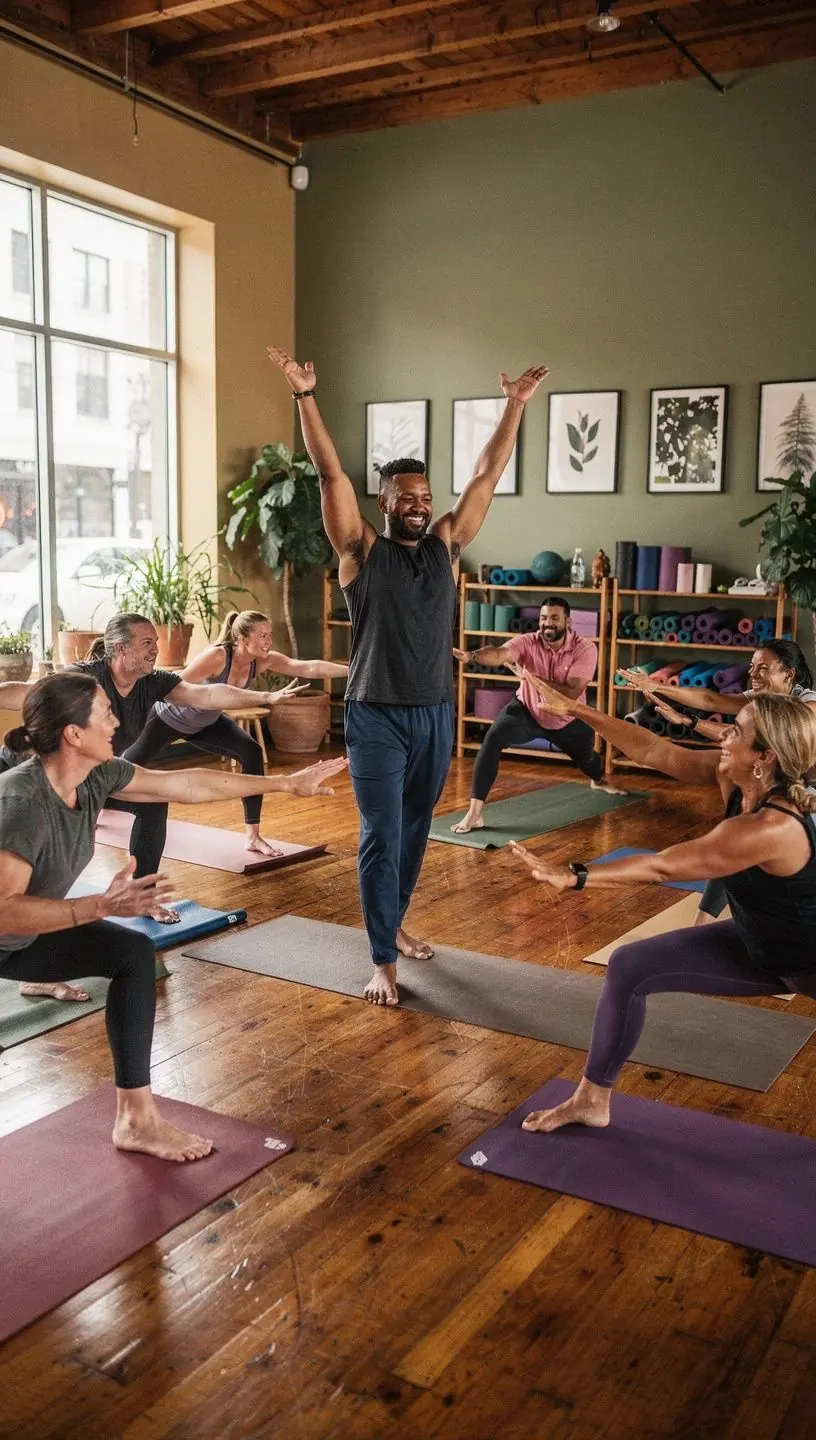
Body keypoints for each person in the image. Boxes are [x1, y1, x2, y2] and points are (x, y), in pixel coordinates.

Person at [267, 343, 550, 1007]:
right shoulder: (361, 552)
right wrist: (304, 396)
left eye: (425, 495)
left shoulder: (447, 548)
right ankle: (382, 960)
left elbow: (486, 477)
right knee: (381, 836)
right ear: (385, 502)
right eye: (406, 497)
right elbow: (330, 474)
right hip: (374, 715)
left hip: (433, 713)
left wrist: (514, 407)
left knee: (418, 831)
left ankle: (394, 925)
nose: (420, 504)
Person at [0, 672, 346, 1162]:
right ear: (73, 734)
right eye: (105, 713)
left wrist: (285, 783)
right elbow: (3, 912)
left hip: (24, 939)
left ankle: (136, 1120)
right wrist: (100, 906)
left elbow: (185, 784)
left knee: (132, 953)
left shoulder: (96, 775)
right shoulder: (21, 802)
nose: (118, 721)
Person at [508, 674, 816, 1135]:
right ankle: (591, 1100)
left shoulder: (770, 828)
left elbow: (664, 867)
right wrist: (577, 710)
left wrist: (576, 876)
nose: (724, 734)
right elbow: (654, 751)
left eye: (737, 731)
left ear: (765, 757)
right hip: (766, 950)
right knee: (630, 966)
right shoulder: (735, 779)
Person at [0, 612, 306, 895]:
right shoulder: (85, 679)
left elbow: (207, 694)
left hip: (89, 775)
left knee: (153, 803)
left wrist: (267, 695)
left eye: (156, 643)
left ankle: (143, 894)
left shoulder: (153, 681)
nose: (155, 650)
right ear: (120, 649)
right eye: (147, 643)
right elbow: (28, 693)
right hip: (31, 772)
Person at [121, 609, 348, 858]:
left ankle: (253, 836)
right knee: (123, 768)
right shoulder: (217, 657)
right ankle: (92, 809)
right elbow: (174, 685)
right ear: (242, 638)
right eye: (262, 636)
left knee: (251, 751)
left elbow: (307, 668)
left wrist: (352, 670)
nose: (268, 642)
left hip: (207, 722)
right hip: (168, 719)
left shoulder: (260, 660)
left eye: (269, 635)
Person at [619, 639, 816, 923]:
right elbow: (710, 700)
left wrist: (690, 723)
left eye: (763, 668)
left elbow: (756, 738)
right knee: (738, 833)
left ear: (789, 674)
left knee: (747, 838)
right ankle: (702, 922)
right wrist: (656, 686)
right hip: (792, 787)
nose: (754, 674)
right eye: (752, 667)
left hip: (808, 794)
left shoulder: (808, 705)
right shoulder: (764, 700)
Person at [451, 596, 627, 835]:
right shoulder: (528, 642)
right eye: (543, 618)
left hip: (567, 717)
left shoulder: (585, 648)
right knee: (492, 741)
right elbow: (500, 654)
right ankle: (475, 814)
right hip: (527, 711)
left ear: (568, 621)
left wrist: (531, 678)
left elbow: (572, 691)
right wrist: (472, 656)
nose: (548, 623)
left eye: (554, 618)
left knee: (587, 758)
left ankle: (599, 780)